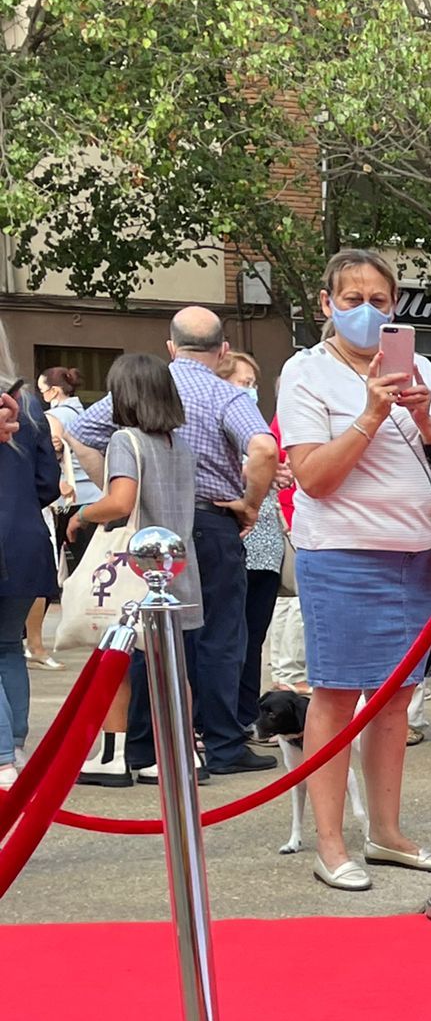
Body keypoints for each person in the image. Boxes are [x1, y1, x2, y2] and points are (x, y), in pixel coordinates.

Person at [276, 247, 431, 889]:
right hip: (343, 553)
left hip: (416, 554)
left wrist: (423, 416)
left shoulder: (421, 367)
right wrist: (371, 413)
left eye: (378, 300)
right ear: (327, 304)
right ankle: (331, 843)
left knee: (397, 700)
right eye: (351, 299)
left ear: (395, 307)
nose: (365, 311)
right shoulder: (305, 373)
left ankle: (386, 833)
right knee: (336, 694)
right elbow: (313, 478)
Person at [66, 308, 279, 781]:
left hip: (151, 533)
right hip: (214, 520)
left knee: (156, 640)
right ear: (223, 351)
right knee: (222, 636)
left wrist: (107, 489)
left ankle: (149, 748)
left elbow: (79, 432)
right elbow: (264, 448)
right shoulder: (227, 395)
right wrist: (250, 503)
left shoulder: (139, 407)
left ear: (170, 346)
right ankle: (220, 744)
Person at [219, 352, 291, 739]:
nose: (248, 390)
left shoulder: (253, 427)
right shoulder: (213, 425)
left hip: (265, 545)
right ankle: (219, 718)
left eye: (252, 384)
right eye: (241, 382)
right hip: (233, 541)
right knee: (228, 637)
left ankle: (247, 716)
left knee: (253, 637)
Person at [0, 389, 61, 790]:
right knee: (8, 645)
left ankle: (3, 755)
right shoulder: (30, 405)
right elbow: (49, 483)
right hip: (27, 536)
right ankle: (15, 745)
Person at [40, 365, 101, 586]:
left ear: (54, 391)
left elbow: (50, 456)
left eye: (43, 390)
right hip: (95, 493)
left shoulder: (53, 416)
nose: (43, 396)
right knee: (90, 560)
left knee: (70, 559)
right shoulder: (84, 411)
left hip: (69, 496)